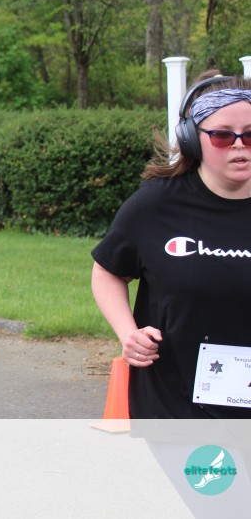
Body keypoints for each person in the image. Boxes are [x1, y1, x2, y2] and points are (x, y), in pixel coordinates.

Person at [91, 72, 251, 418]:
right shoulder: (155, 205)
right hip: (176, 406)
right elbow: (107, 270)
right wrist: (128, 333)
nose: (239, 145)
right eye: (223, 136)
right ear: (192, 139)